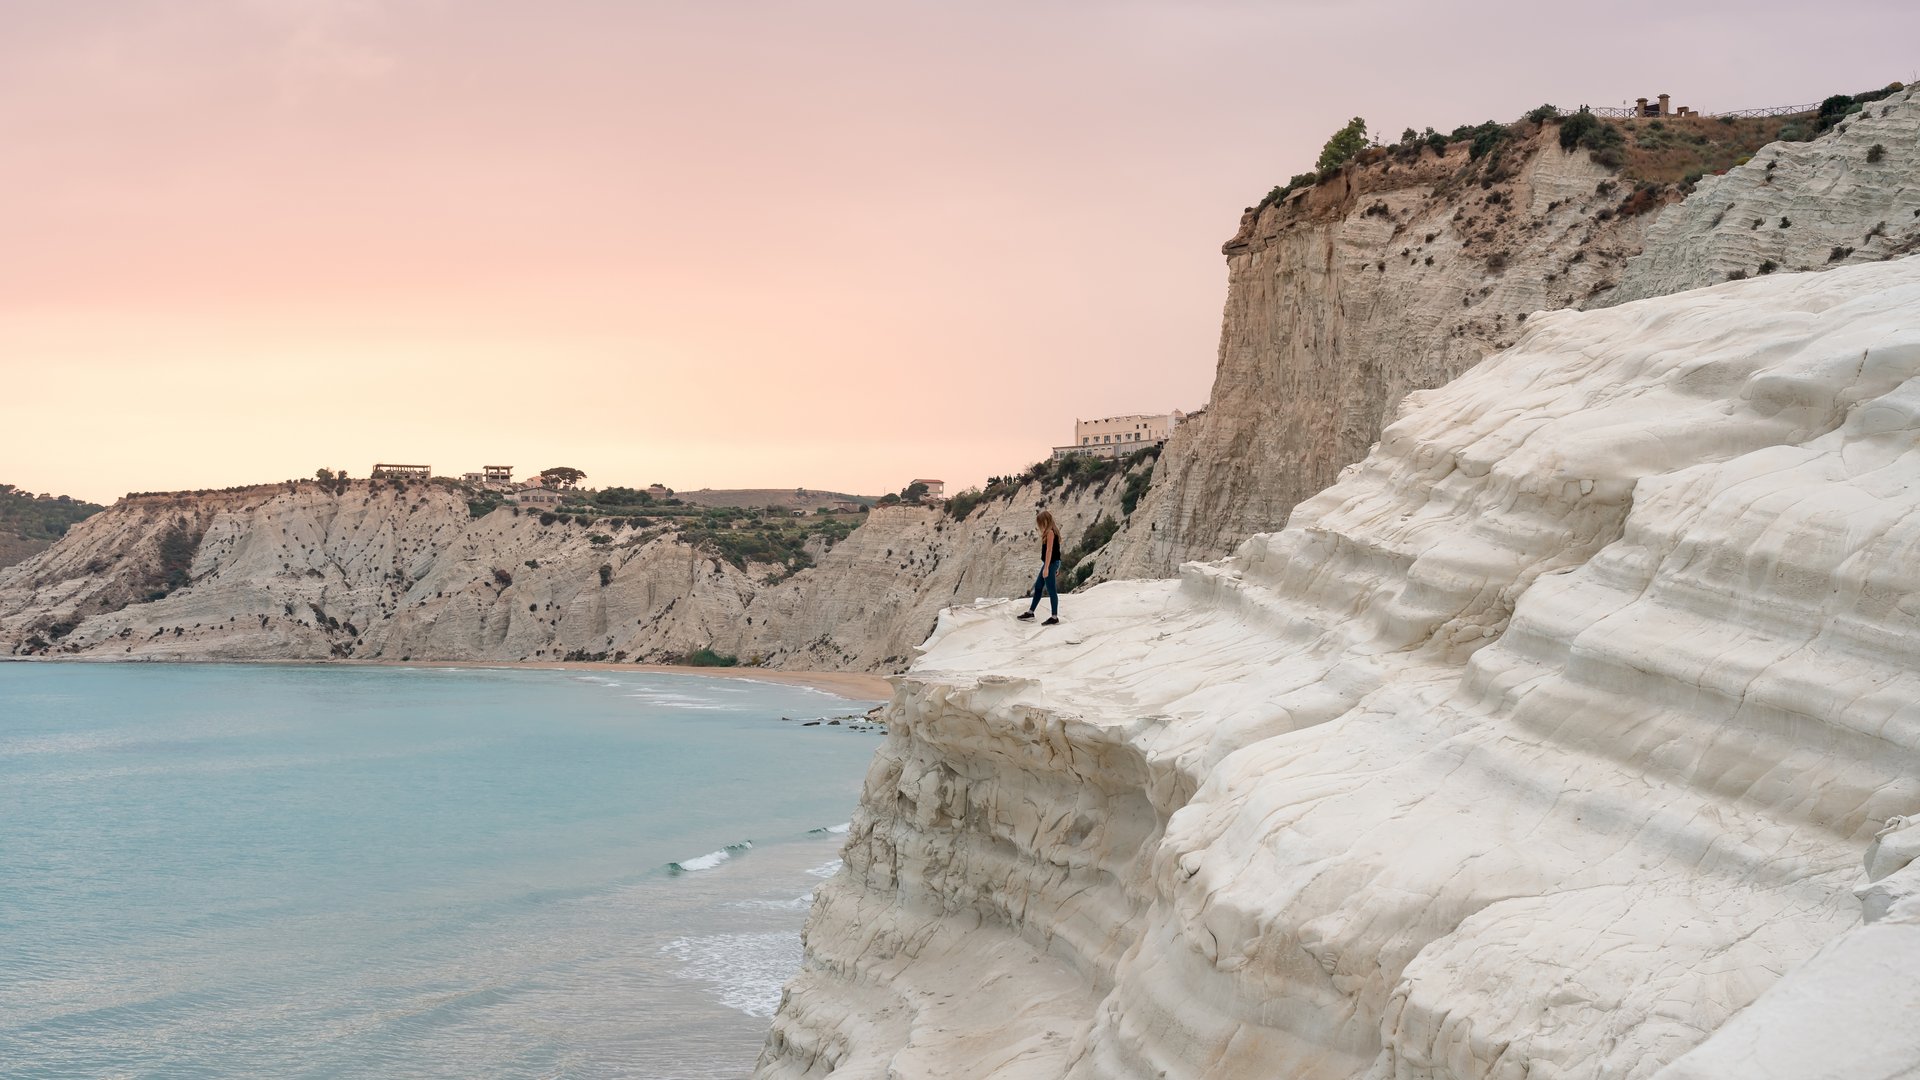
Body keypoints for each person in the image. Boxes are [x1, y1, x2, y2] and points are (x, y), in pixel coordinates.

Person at [1017, 510, 1062, 625]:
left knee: (1051, 590)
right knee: (1038, 587)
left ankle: (1054, 617)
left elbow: (1050, 551)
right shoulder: (1051, 532)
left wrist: (1047, 568)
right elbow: (1057, 552)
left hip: (1050, 564)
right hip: (1051, 563)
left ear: (1045, 521)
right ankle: (1031, 612)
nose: (1040, 525)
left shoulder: (1050, 532)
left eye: (1040, 522)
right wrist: (1056, 565)